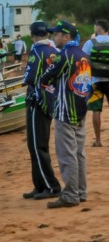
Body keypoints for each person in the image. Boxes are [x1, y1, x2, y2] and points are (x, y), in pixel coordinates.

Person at [39, 20, 91, 209]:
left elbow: (45, 78)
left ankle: (70, 195)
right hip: (80, 109)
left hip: (65, 111)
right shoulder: (83, 56)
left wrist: (51, 90)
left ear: (66, 36)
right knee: (79, 153)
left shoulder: (63, 56)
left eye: (56, 34)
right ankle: (80, 191)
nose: (54, 37)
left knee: (66, 154)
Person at [22, 21, 62, 201]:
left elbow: (29, 77)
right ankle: (39, 185)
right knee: (40, 144)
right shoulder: (54, 51)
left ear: (33, 35)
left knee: (36, 145)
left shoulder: (36, 52)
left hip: (37, 100)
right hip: (50, 99)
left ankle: (50, 186)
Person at [82, 19, 109, 147]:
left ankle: (98, 140)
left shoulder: (90, 43)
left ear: (98, 28)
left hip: (95, 81)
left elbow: (83, 60)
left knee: (96, 110)